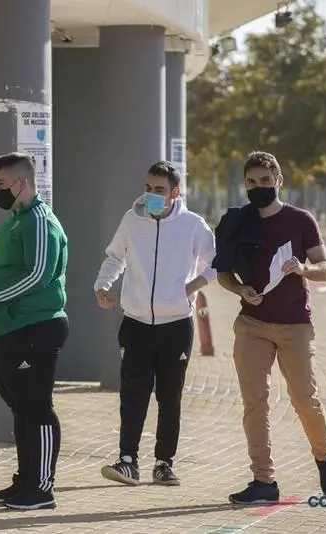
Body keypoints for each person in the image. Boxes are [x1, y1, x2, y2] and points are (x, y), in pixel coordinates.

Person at [213, 151, 326, 504]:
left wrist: (302, 268)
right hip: (252, 324)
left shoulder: (300, 220)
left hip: (294, 326)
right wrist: (241, 289)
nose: (259, 188)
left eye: (265, 181)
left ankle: (324, 456)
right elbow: (223, 273)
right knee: (255, 403)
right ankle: (264, 482)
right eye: (252, 183)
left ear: (279, 181)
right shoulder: (237, 221)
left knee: (304, 399)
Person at [93, 161, 216, 487]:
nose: (151, 195)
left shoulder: (193, 225)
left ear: (175, 193)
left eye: (159, 190)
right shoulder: (132, 220)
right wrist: (103, 285)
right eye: (148, 188)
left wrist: (192, 285)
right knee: (133, 394)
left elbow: (217, 261)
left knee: (169, 396)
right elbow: (115, 256)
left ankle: (164, 463)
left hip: (176, 324)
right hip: (134, 323)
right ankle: (128, 461)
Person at [0, 153, 69, 511]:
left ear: (21, 183)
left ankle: (42, 489)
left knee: (37, 406)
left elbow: (38, 275)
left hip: (36, 327)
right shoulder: (16, 220)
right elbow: (11, 271)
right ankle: (25, 481)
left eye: (1, 185)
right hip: (8, 326)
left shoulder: (40, 221)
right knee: (22, 408)